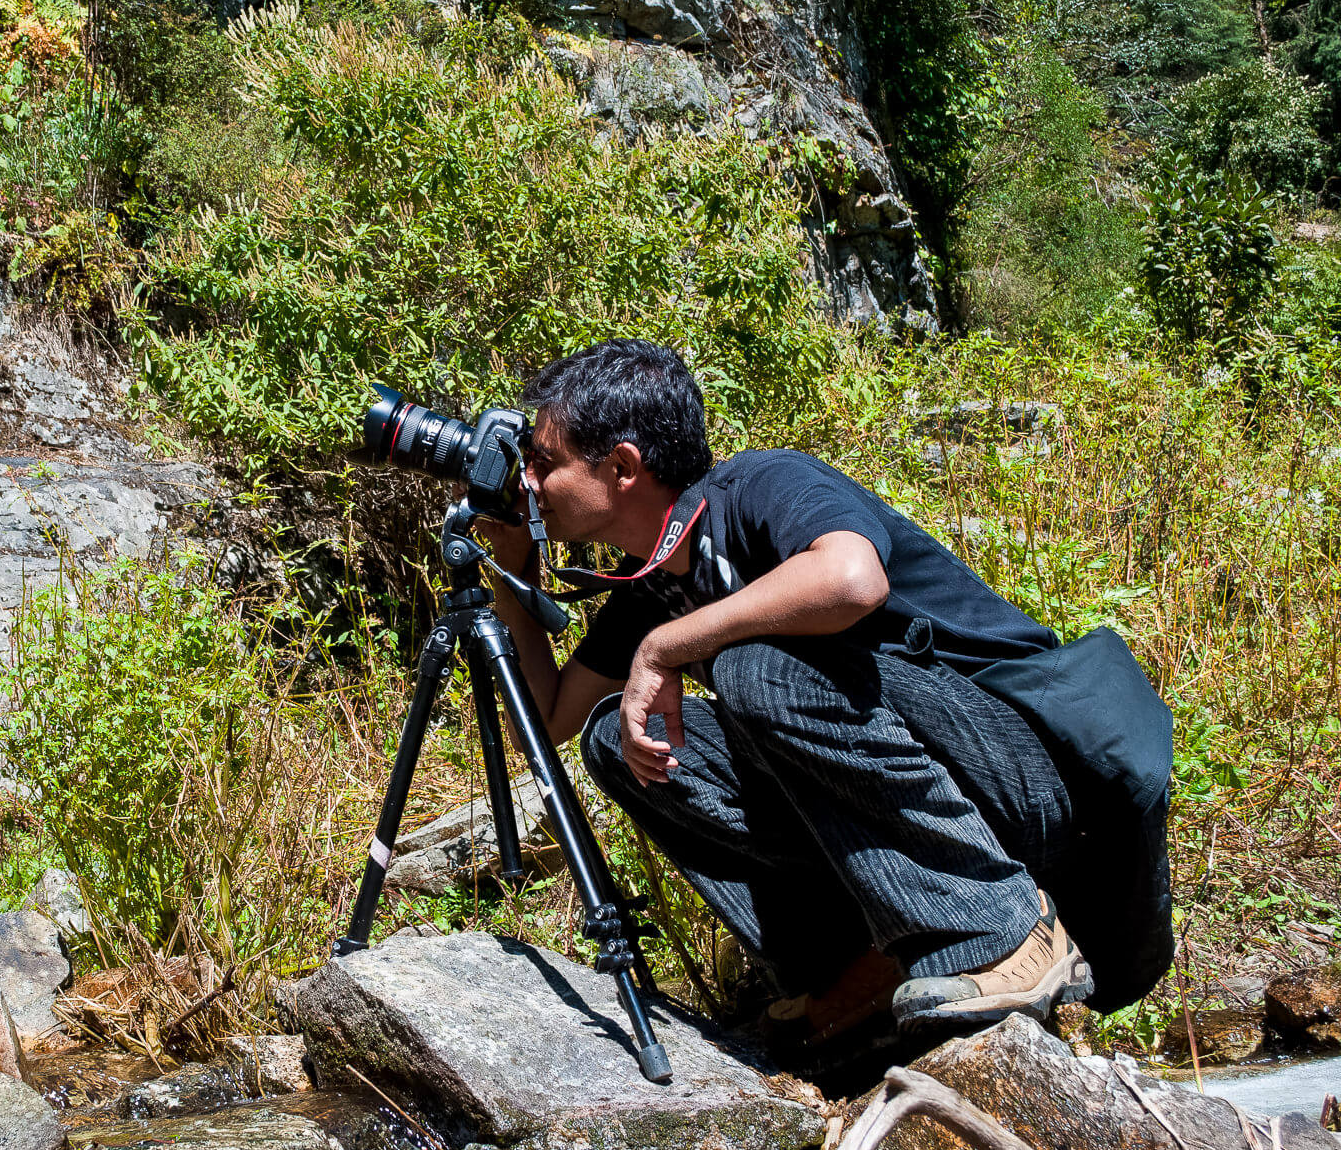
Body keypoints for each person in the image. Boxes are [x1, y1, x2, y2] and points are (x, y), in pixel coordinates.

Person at [476, 338, 1171, 1048]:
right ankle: (857, 966)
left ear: (622, 467)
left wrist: (667, 646)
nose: (526, 480)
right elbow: (553, 717)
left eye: (543, 462)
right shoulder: (650, 582)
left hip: (1032, 778)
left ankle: (1006, 931)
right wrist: (509, 566)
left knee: (756, 668)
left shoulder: (760, 487)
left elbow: (851, 580)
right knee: (615, 740)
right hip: (938, 789)